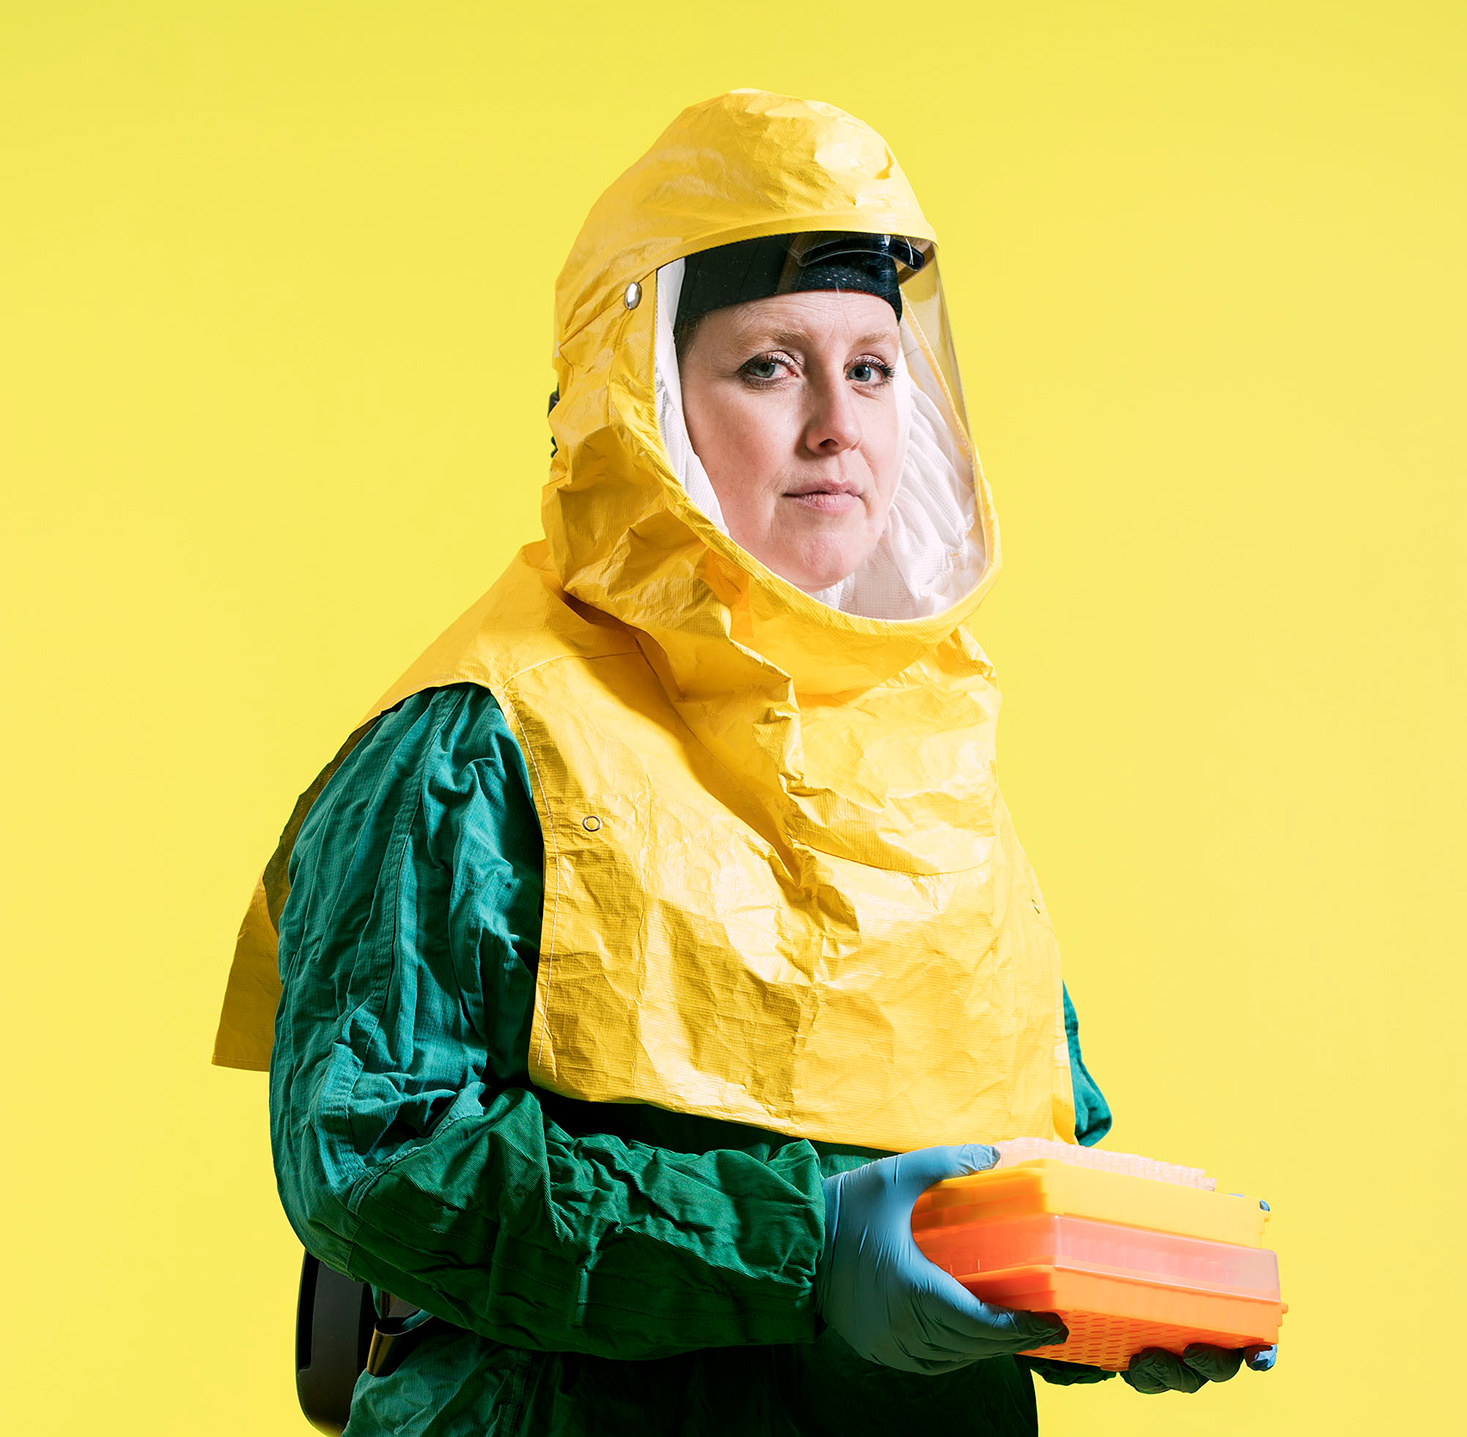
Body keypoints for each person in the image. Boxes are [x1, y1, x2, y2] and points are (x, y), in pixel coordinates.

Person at [213, 90, 1269, 1435]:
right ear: (640, 399)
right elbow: (381, 1156)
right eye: (770, 365)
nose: (839, 423)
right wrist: (805, 1249)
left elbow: (1014, 1143)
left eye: (873, 369)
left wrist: (1101, 1286)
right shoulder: (479, 742)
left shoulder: (926, 750)